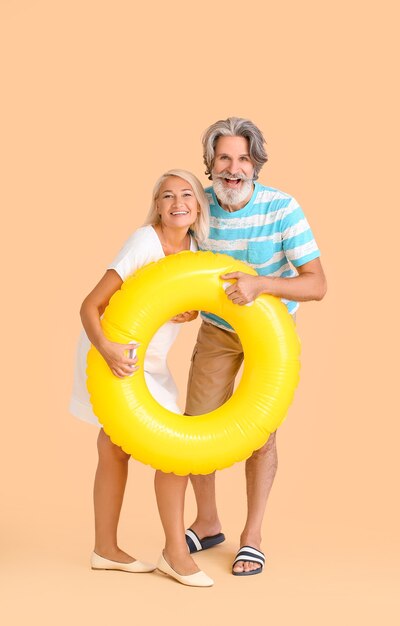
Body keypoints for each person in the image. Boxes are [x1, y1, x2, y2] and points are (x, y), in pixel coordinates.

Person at [184, 117, 327, 576]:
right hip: (218, 329)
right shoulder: (199, 205)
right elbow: (177, 265)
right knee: (196, 426)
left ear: (256, 164)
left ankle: (252, 536)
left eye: (243, 158)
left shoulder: (282, 208)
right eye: (224, 158)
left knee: (259, 434)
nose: (233, 168)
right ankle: (207, 523)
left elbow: (318, 284)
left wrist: (261, 284)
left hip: (272, 333)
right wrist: (179, 304)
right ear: (210, 163)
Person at [70, 169, 214, 587]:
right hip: (111, 353)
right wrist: (108, 351)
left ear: (198, 206)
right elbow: (89, 305)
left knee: (166, 449)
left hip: (151, 361)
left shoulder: (195, 248)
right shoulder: (143, 241)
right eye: (167, 196)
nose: (177, 203)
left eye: (186, 194)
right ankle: (160, 552)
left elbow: (179, 301)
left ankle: (120, 551)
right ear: (157, 205)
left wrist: (183, 312)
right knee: (120, 449)